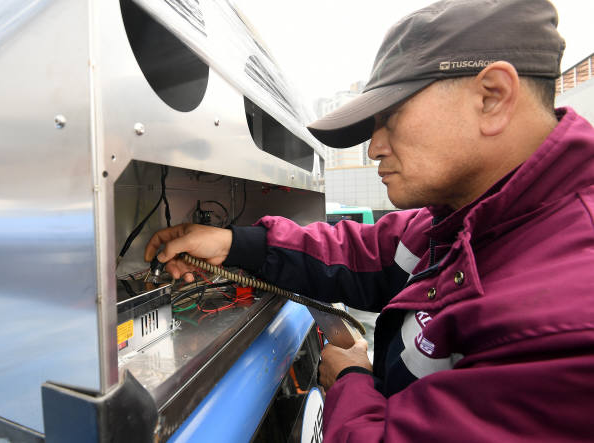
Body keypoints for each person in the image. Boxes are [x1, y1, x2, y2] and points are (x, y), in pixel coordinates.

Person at [145, 0, 594, 440]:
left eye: (389, 118)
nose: (375, 146)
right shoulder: (458, 221)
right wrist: (232, 244)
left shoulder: (569, 319)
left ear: (492, 97)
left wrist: (349, 382)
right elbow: (361, 252)